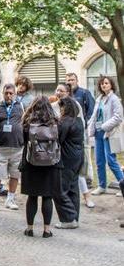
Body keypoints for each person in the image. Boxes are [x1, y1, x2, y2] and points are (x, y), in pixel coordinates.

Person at [21, 97, 60, 238]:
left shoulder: (27, 123)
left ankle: (30, 229)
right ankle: (46, 230)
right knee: (47, 197)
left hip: (31, 162)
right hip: (51, 163)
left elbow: (23, 141)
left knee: (32, 197)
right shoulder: (55, 123)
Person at [52, 83, 93, 208]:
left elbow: (79, 125)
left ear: (68, 93)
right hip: (64, 150)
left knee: (73, 178)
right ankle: (73, 211)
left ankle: (85, 198)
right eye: (57, 90)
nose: (58, 93)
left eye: (61, 91)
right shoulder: (53, 106)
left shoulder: (75, 106)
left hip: (71, 147)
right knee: (72, 180)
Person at [0, 84, 24, 211]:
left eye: (11, 93)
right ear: (3, 94)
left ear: (15, 94)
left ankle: (10, 199)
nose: (8, 95)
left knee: (15, 174)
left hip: (17, 147)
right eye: (6, 93)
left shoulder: (20, 106)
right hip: (0, 148)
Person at [87, 76, 124, 196]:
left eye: (106, 83)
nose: (104, 85)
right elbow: (94, 115)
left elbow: (118, 117)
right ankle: (102, 186)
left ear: (111, 85)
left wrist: (104, 126)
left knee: (111, 161)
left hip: (109, 133)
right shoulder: (99, 98)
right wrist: (89, 126)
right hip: (98, 133)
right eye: (102, 83)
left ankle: (123, 185)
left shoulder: (114, 99)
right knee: (99, 161)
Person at [53, 96, 85, 229]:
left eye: (61, 107)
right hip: (78, 157)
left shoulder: (65, 122)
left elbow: (57, 139)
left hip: (67, 158)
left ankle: (69, 218)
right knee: (73, 188)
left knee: (59, 189)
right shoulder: (78, 121)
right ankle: (74, 218)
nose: (60, 110)